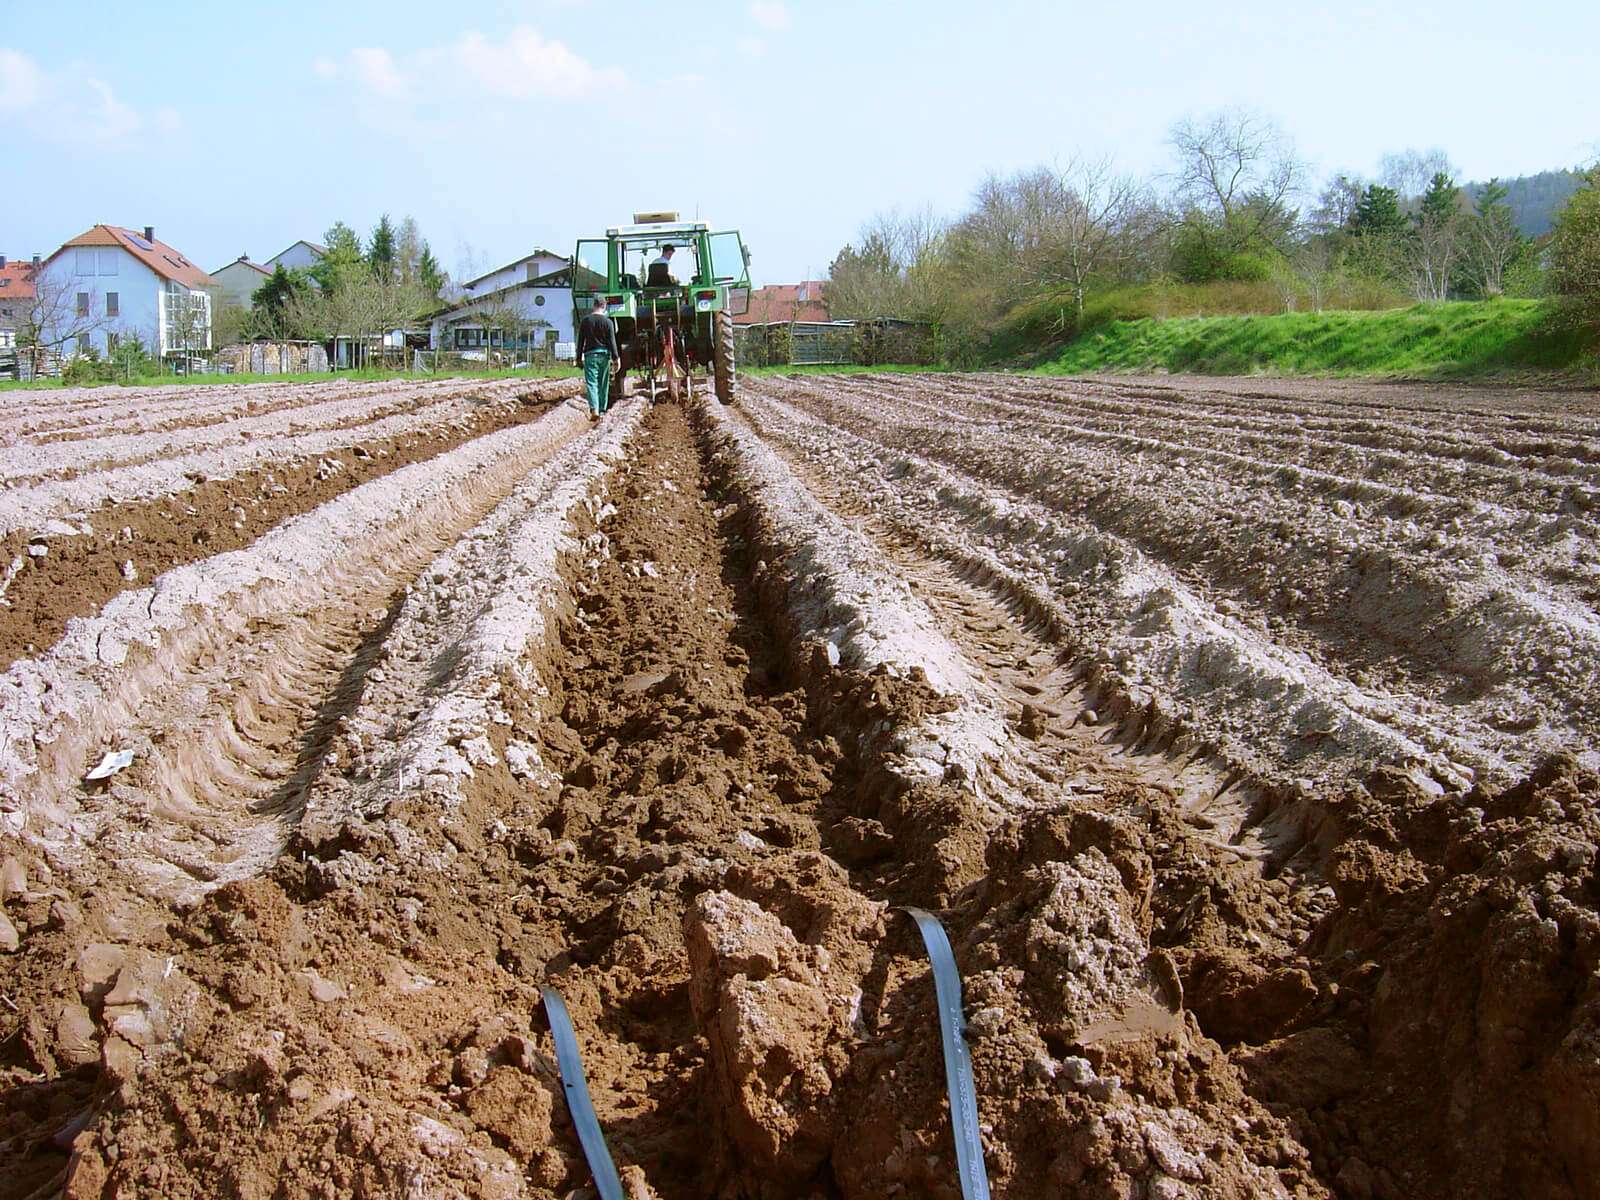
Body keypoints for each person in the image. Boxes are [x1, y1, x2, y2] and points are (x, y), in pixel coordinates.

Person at [575, 297, 621, 420]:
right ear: (604, 307)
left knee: (592, 382)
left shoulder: (586, 321)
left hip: (590, 355)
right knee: (603, 383)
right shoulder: (608, 322)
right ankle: (602, 409)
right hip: (604, 356)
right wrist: (616, 358)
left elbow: (580, 341)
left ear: (593, 305)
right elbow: (612, 342)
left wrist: (578, 357)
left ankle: (594, 408)